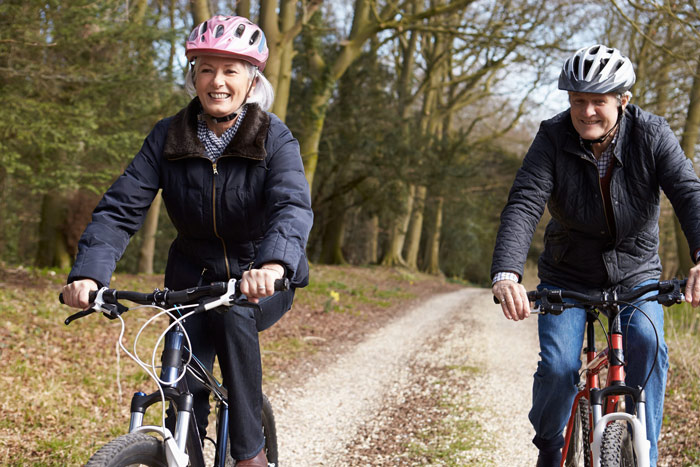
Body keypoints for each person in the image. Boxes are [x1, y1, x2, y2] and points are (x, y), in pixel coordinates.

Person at [61, 15, 313, 466]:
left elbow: (291, 207)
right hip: (190, 277)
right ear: (193, 75)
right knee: (183, 387)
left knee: (237, 317)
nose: (217, 82)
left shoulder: (273, 137)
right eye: (206, 69)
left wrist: (274, 266)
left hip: (258, 276)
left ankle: (250, 453)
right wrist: (87, 274)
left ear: (252, 79)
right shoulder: (168, 136)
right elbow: (120, 209)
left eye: (230, 70)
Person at [490, 44, 700, 467]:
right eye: (577, 101)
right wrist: (507, 272)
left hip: (636, 274)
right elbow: (525, 201)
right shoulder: (552, 136)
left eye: (598, 102)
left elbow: (688, 194)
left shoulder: (653, 134)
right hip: (568, 275)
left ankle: (647, 454)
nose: (586, 112)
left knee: (648, 346)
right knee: (560, 367)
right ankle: (550, 447)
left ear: (623, 100)